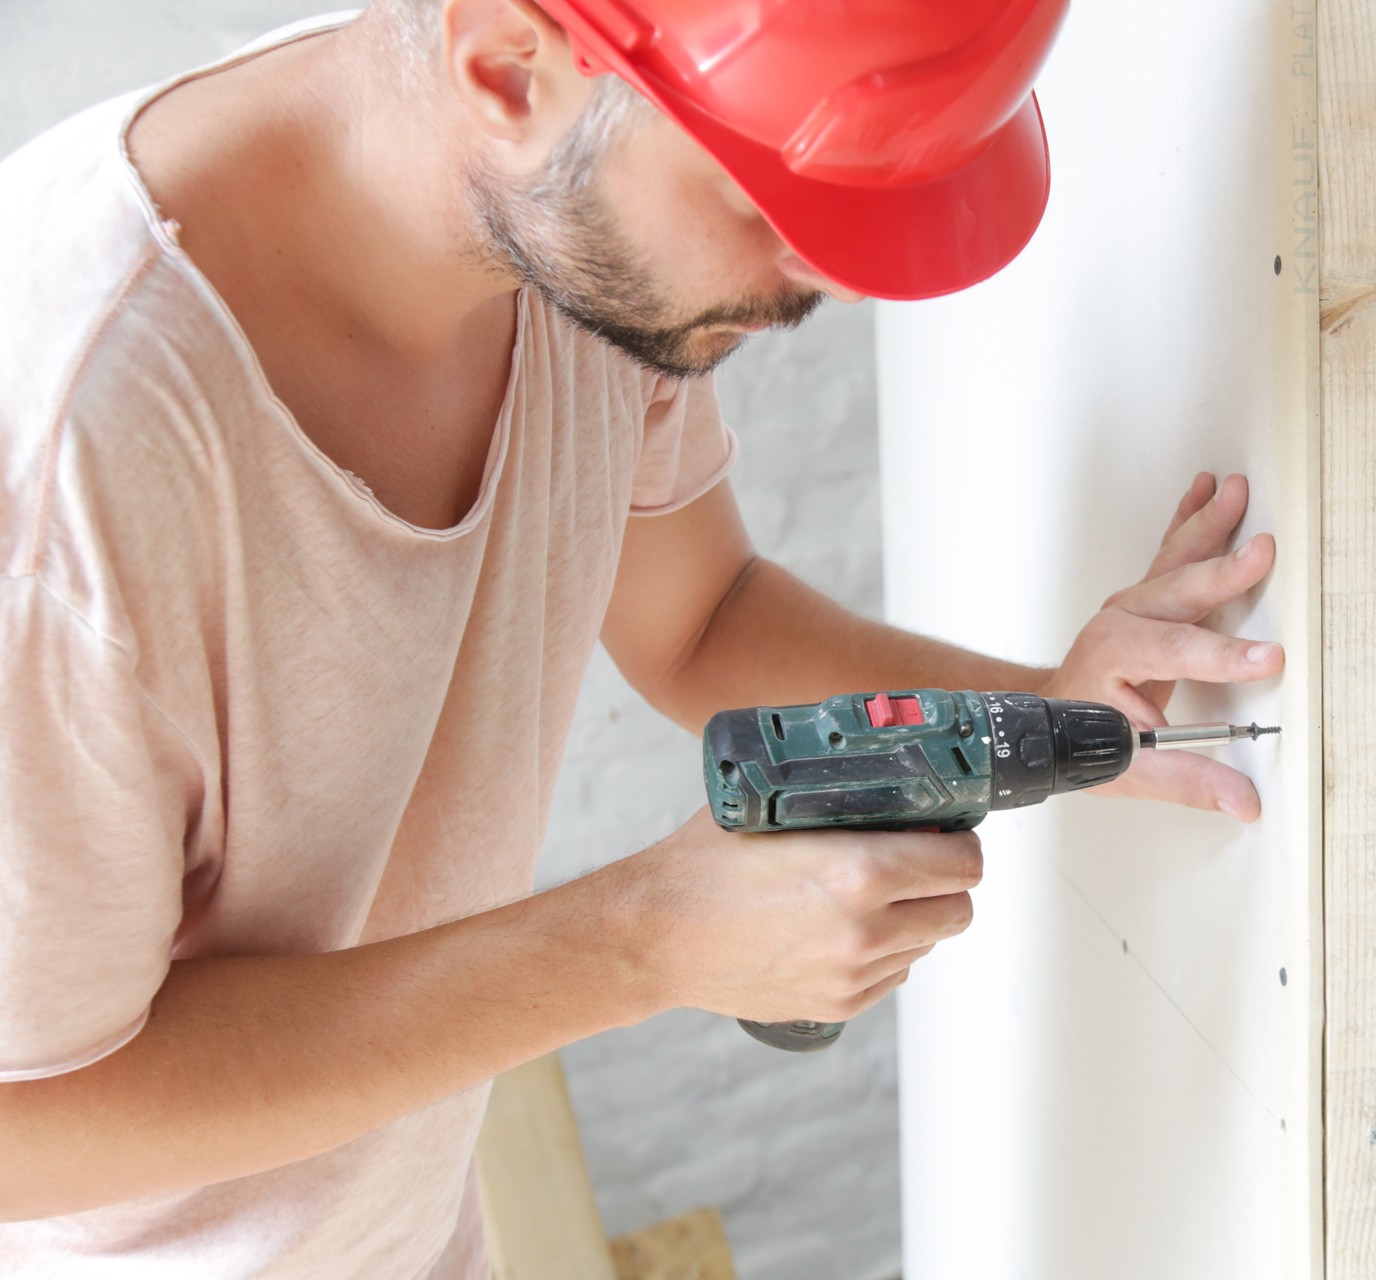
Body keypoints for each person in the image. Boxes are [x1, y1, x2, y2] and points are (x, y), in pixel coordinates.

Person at [0, 1, 1285, 1274]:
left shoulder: (561, 209)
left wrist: (1055, 700)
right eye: (772, 199)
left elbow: (699, 615)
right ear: (507, 69)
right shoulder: (65, 472)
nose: (831, 275)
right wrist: (648, 938)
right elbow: (24, 1121)